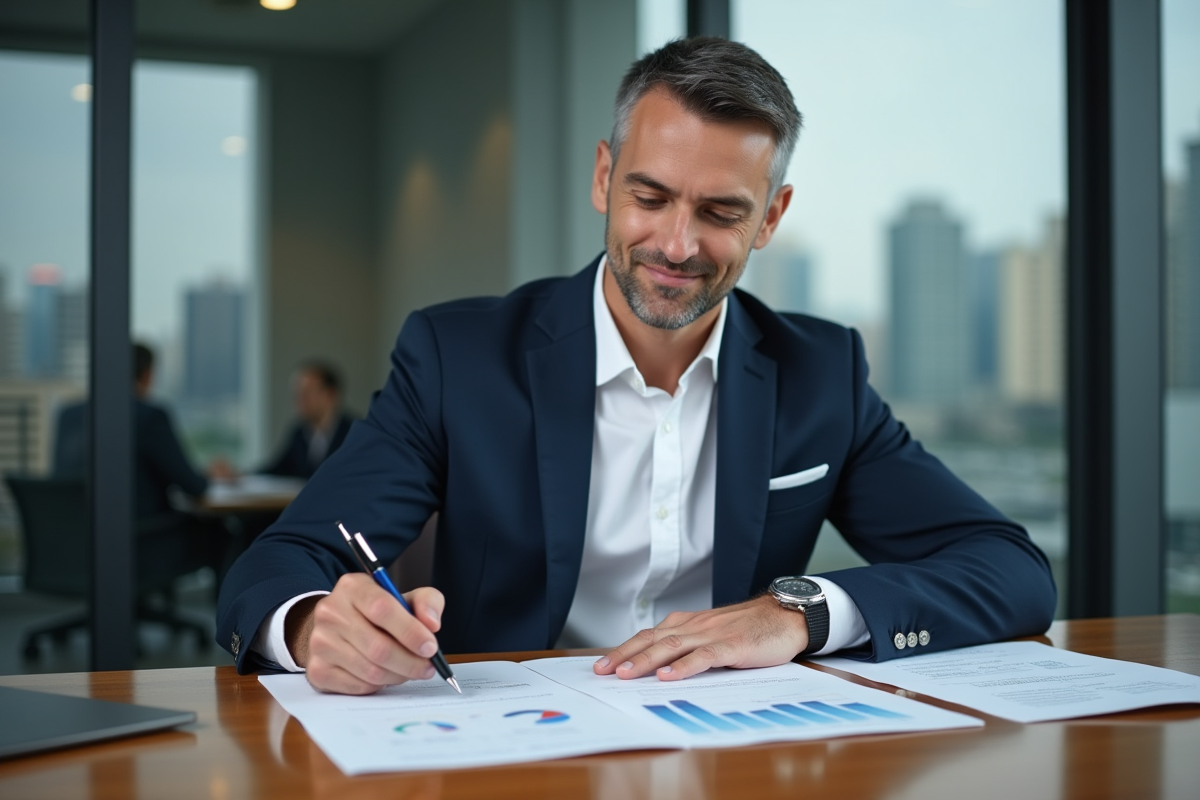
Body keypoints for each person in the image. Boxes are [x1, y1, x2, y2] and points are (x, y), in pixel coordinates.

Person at [217, 37, 1056, 694]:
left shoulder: (820, 372)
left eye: (722, 211)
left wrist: (799, 613)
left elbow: (1010, 568)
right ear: (603, 176)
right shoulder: (456, 359)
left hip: (731, 752)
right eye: (650, 197)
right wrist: (309, 627)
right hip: (509, 752)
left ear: (771, 218)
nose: (677, 245)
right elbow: (275, 566)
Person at [54, 342, 231, 583]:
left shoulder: (69, 416)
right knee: (223, 534)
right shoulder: (149, 417)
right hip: (140, 543)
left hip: (75, 544)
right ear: (147, 374)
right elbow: (193, 486)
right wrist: (207, 474)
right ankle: (234, 620)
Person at [260, 361, 354, 480]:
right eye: (296, 393)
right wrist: (240, 476)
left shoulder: (357, 434)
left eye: (306, 392)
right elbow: (277, 469)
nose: (298, 400)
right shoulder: (299, 433)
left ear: (330, 395)